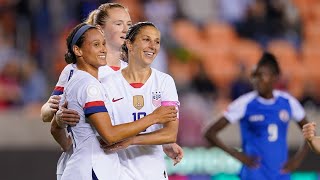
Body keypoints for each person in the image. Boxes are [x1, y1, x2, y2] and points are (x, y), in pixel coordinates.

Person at [41, 3, 183, 179]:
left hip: (124, 167)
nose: (126, 29)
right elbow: (48, 116)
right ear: (100, 29)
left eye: (129, 24)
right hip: (95, 165)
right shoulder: (80, 71)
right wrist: (57, 114)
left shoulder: (133, 72)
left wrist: (161, 142)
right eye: (118, 24)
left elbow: (127, 118)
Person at [204, 52, 309, 180]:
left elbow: (310, 131)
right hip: (254, 173)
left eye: (262, 76)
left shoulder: (288, 102)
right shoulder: (245, 103)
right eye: (255, 76)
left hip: (281, 173)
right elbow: (209, 132)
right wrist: (236, 154)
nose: (257, 80)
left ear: (275, 78)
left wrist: (298, 159)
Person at [100, 22, 180, 180]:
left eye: (157, 41)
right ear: (129, 44)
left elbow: (170, 134)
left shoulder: (164, 82)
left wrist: (131, 140)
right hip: (117, 173)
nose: (153, 46)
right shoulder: (107, 84)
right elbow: (106, 134)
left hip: (154, 174)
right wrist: (154, 119)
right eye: (146, 40)